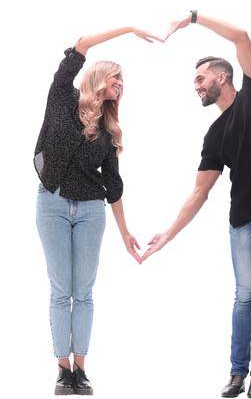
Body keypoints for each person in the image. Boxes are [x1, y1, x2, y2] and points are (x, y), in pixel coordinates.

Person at [143, 11, 251, 399]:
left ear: (222, 76)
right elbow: (199, 193)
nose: (196, 86)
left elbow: (242, 36)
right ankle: (237, 373)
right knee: (245, 295)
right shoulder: (214, 134)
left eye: (200, 78)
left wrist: (195, 18)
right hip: (244, 221)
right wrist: (167, 235)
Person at [36, 24, 160, 396]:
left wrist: (125, 233)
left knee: (84, 292)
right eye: (116, 77)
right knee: (61, 290)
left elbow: (113, 187)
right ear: (99, 78)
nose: (120, 84)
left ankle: (81, 369)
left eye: (123, 80)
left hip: (91, 211)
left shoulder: (108, 128)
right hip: (52, 204)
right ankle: (62, 370)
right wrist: (130, 29)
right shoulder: (62, 96)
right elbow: (81, 45)